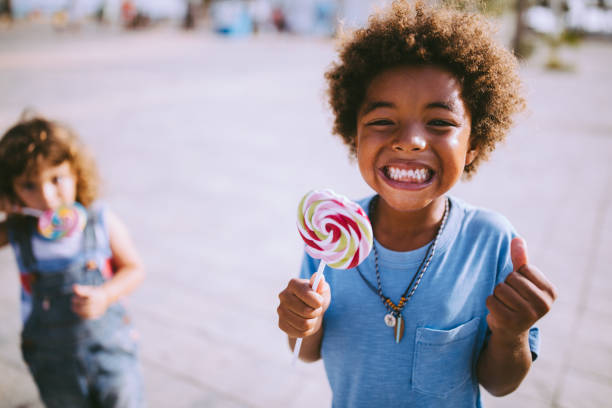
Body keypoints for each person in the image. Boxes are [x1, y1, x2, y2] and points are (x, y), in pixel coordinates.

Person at [276, 1, 558, 407]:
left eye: (440, 122)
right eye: (381, 121)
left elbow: (499, 384)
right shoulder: (330, 236)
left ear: (474, 144)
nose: (409, 140)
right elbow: (305, 350)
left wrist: (512, 333)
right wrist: (300, 321)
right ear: (354, 135)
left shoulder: (491, 241)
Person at [0, 115, 145, 408]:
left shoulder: (99, 220)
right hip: (52, 361)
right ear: (12, 190)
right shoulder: (18, 229)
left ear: (77, 173)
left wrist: (105, 295)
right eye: (29, 185)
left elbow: (134, 269)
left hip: (110, 351)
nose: (47, 196)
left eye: (56, 179)